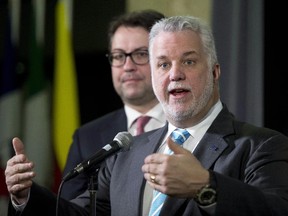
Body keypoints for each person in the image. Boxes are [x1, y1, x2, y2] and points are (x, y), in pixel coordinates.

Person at [5, 15, 288, 216]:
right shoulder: (127, 152)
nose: (175, 73)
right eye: (163, 64)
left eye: (188, 61)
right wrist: (26, 195)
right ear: (154, 77)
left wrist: (204, 186)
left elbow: (275, 209)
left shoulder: (260, 146)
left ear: (215, 72)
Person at [61, 10, 166, 200]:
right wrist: (26, 196)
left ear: (164, 60)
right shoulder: (86, 138)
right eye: (118, 56)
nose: (127, 66)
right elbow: (68, 208)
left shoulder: (189, 126)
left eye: (141, 54)